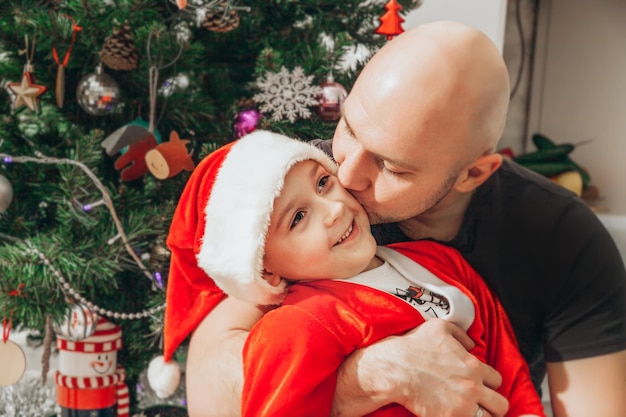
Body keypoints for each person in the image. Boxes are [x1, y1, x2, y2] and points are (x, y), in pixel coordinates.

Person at [170, 21, 626, 417]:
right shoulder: (298, 186)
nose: (345, 176)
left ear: (472, 174)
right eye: (349, 126)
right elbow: (211, 397)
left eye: (391, 167)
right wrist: (372, 375)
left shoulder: (563, 238)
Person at [163, 130, 545, 417]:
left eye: (323, 182)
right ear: (268, 271)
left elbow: (505, 358)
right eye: (298, 218)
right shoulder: (299, 325)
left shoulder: (435, 260)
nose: (332, 209)